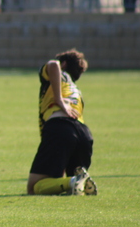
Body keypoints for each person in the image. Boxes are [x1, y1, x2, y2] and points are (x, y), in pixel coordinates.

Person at [27, 49, 98, 196]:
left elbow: (53, 65)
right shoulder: (76, 92)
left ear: (63, 64)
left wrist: (59, 100)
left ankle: (73, 181)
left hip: (60, 129)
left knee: (34, 187)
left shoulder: (58, 75)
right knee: (63, 182)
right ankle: (77, 182)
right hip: (84, 134)